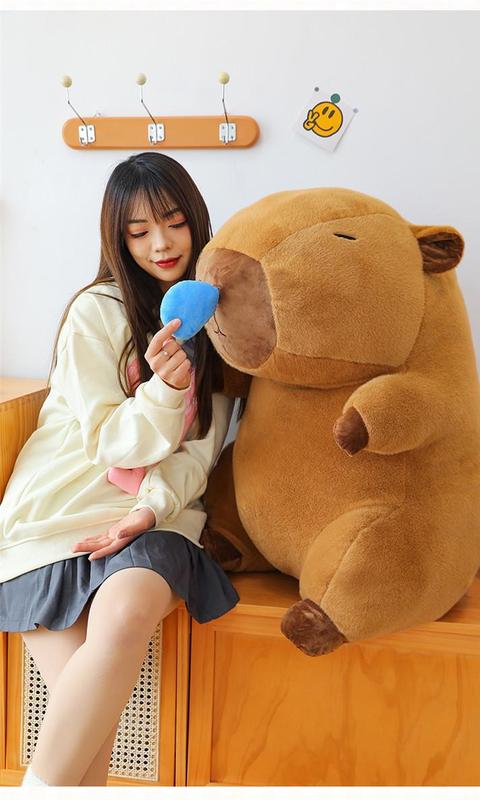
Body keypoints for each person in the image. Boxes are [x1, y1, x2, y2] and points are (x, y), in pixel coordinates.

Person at [0, 152, 239, 786]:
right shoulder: (97, 311)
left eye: (174, 222)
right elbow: (110, 441)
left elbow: (199, 451)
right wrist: (165, 389)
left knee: (128, 610)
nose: (161, 244)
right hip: (56, 517)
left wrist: (148, 511)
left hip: (151, 516)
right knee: (85, 756)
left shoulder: (222, 323)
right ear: (118, 239)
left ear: (196, 220)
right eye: (139, 231)